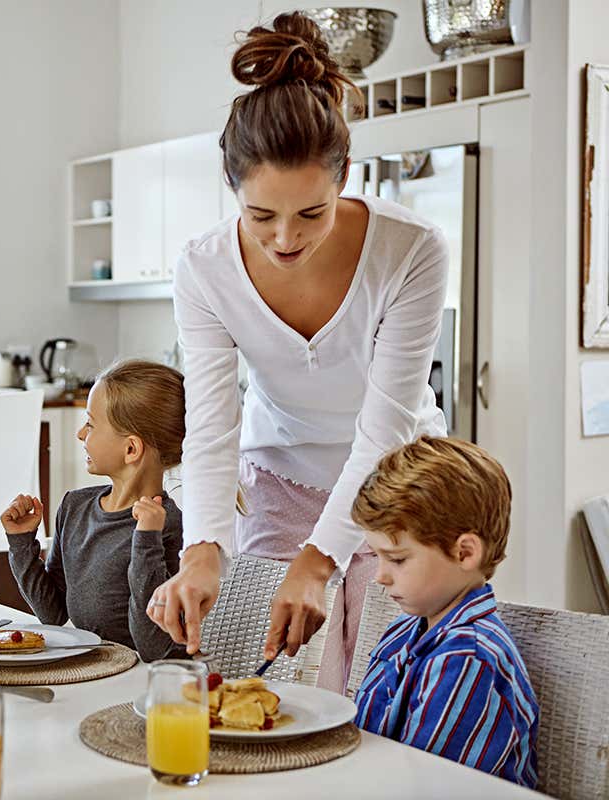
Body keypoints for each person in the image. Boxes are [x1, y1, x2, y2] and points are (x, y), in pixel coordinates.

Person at [147, 10, 449, 692]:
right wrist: (203, 548)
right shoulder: (203, 269)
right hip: (280, 474)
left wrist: (321, 561)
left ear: (343, 177)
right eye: (261, 217)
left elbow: (386, 427)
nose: (285, 238)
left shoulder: (412, 251)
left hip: (399, 480)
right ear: (232, 191)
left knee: (381, 673)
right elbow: (215, 424)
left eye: (311, 213)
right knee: (275, 674)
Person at [351, 436, 538, 788]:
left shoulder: (469, 658)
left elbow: (418, 786)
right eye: (377, 557)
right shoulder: (403, 632)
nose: (380, 576)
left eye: (398, 559)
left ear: (465, 553)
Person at [2, 360, 200, 662]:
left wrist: (147, 539)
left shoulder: (168, 526)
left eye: (91, 424)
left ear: (131, 449)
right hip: (98, 669)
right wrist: (21, 543)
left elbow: (152, 647)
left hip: (146, 680)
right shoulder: (74, 507)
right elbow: (53, 614)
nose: (81, 433)